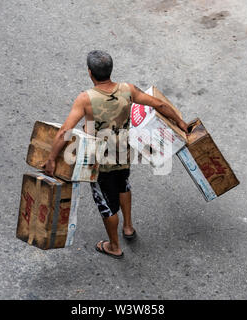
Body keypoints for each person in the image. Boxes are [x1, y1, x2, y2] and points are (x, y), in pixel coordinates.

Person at [43, 50, 188, 259]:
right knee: (123, 185)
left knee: (106, 204)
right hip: (123, 153)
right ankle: (128, 227)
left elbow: (64, 132)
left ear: (90, 73)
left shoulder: (85, 99)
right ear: (110, 70)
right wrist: (180, 123)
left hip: (99, 161)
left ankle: (114, 246)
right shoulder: (127, 90)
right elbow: (160, 105)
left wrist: (50, 160)